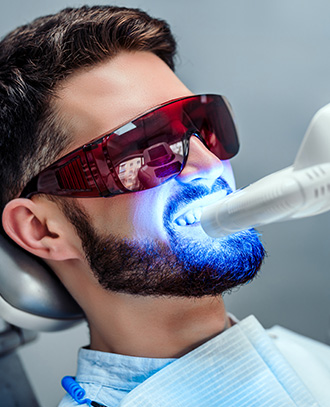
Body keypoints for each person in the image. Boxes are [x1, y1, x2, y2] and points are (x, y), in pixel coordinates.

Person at [0, 5, 329, 407]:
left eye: (204, 126)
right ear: (42, 229)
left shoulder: (311, 362)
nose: (209, 165)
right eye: (144, 148)